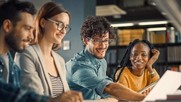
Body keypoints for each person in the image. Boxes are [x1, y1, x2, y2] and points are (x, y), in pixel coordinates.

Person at [0, 0, 83, 102]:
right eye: (27, 28)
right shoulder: (26, 54)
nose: (31, 36)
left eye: (66, 27)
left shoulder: (12, 65)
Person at [66, 16, 145, 101]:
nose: (103, 46)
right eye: (97, 40)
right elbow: (109, 88)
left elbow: (107, 88)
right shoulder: (78, 66)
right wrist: (145, 98)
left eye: (106, 40)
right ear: (85, 40)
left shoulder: (102, 61)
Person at [15, 1, 75, 97]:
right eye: (59, 24)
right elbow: (36, 97)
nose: (63, 31)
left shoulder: (60, 61)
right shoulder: (26, 54)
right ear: (43, 23)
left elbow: (66, 96)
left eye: (66, 27)